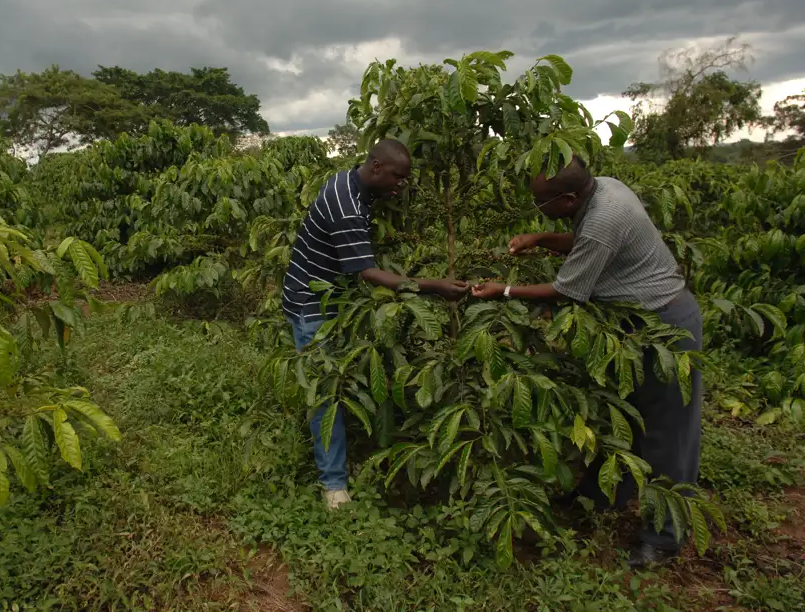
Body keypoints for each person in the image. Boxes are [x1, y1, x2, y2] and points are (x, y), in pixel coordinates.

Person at [469, 156, 703, 568]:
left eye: (543, 204)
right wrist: (540, 238)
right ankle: (602, 497)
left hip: (664, 325)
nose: (539, 209)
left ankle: (665, 537)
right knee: (621, 416)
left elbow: (567, 290)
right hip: (628, 326)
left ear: (570, 197)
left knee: (669, 431)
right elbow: (587, 242)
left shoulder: (603, 218)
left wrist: (503, 290)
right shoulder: (604, 187)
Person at [283, 139, 469, 510]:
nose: (402, 186)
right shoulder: (348, 208)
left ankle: (353, 447)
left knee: (343, 377)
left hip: (331, 298)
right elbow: (367, 272)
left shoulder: (346, 180)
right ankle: (333, 484)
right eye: (398, 178)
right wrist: (434, 287)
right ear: (376, 168)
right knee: (327, 394)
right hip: (312, 307)